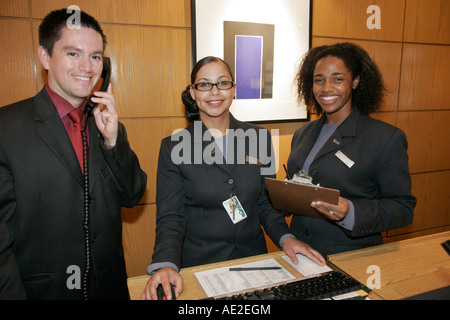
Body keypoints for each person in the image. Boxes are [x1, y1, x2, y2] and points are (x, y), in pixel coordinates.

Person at [141, 56, 325, 300]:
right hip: (200, 267)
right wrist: (165, 264)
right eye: (204, 84)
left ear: (234, 89)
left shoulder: (258, 138)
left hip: (253, 263)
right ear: (193, 92)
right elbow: (171, 217)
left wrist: (286, 237)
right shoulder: (174, 146)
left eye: (223, 83)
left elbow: (265, 203)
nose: (214, 91)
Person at [0, 9, 147, 299]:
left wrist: (113, 141)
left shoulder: (106, 123)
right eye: (72, 54)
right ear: (45, 57)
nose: (87, 67)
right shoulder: (7, 128)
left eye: (95, 56)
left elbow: (133, 196)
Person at [286, 42, 416, 257]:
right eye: (319, 80)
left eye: (338, 79)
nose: (326, 87)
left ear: (355, 81)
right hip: (300, 253)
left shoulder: (385, 138)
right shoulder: (303, 133)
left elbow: (403, 209)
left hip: (351, 257)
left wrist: (351, 212)